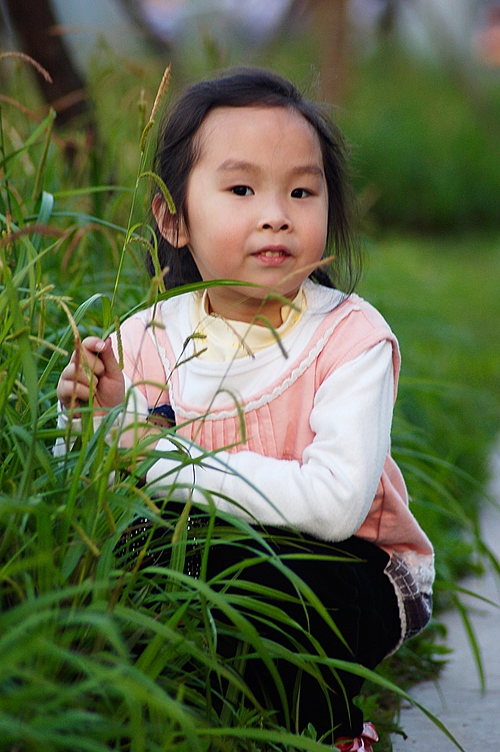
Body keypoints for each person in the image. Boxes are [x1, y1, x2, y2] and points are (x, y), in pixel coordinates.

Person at [56, 67, 434, 750]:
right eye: (240, 189)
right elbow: (95, 490)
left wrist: (155, 455)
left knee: (288, 589)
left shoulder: (351, 338)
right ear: (173, 218)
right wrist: (90, 422)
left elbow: (334, 504)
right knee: (123, 568)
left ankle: (325, 725)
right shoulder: (142, 339)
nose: (276, 213)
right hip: (200, 559)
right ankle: (169, 700)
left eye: (301, 190)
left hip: (346, 569)